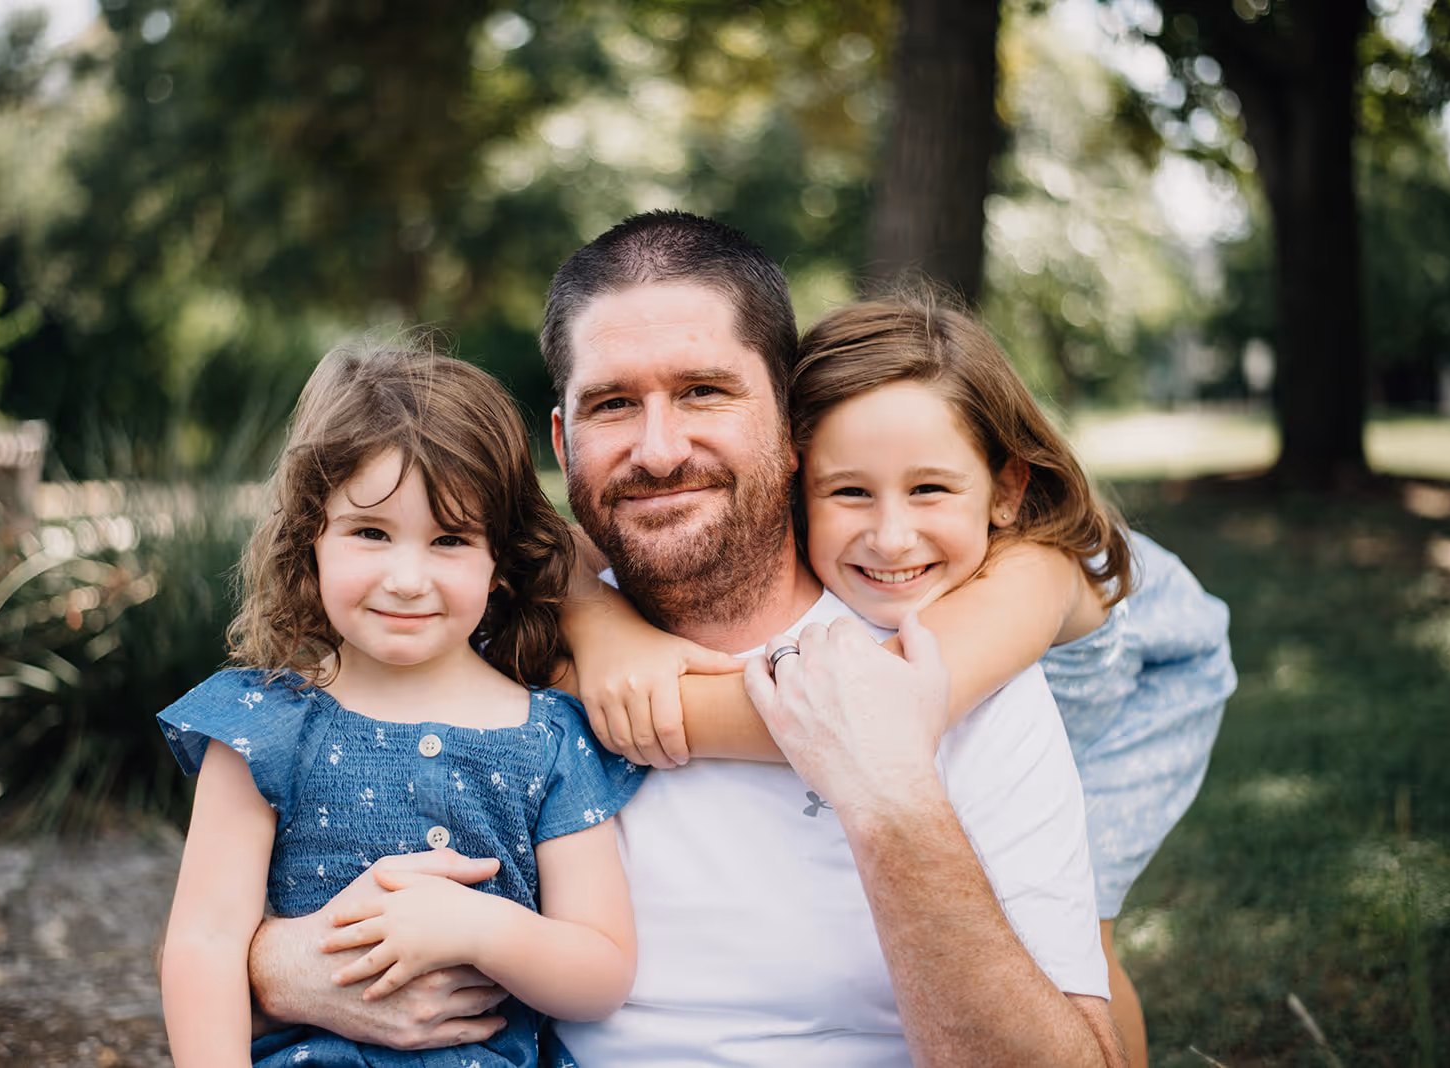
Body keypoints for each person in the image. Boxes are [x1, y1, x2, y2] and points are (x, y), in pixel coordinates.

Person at [244, 212, 1127, 1067]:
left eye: (703, 391)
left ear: (791, 427)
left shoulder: (947, 666)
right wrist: (276, 970)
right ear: (563, 441)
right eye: (613, 405)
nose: (660, 451)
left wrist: (892, 797)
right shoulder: (486, 657)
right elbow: (251, 923)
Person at [566, 294, 1238, 1067]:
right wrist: (593, 617)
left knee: (1078, 931)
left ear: (1006, 491)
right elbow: (565, 536)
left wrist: (614, 694)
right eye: (850, 491)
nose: (890, 536)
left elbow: (859, 719)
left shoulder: (1032, 576)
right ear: (790, 480)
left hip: (1138, 694)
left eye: (928, 490)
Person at [155, 344, 643, 1067]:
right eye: (371, 534)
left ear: (498, 561)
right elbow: (203, 943)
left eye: (449, 539)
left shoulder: (547, 737)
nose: (407, 578)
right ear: (311, 539)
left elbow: (602, 968)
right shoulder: (265, 725)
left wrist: (476, 928)